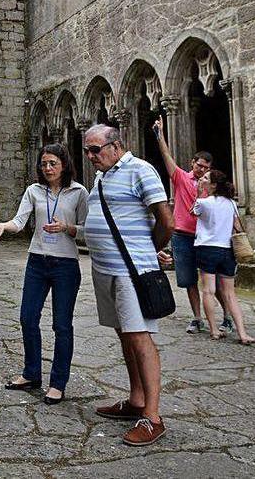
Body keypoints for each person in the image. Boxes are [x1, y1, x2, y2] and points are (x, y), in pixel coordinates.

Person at [84, 124, 173, 446]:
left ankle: (152, 417)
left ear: (116, 145)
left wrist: (148, 252)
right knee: (124, 334)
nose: (90, 156)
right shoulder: (102, 177)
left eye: (95, 149)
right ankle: (136, 400)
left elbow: (167, 220)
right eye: (87, 150)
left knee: (140, 338)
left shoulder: (141, 170)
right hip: (106, 269)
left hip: (130, 271)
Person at [0, 143, 88, 404]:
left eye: (53, 163)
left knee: (61, 325)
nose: (48, 168)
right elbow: (19, 222)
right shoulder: (34, 190)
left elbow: (87, 229)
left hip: (65, 264)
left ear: (64, 164)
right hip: (37, 262)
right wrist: (3, 226)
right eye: (43, 164)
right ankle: (31, 373)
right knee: (28, 318)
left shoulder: (79, 192)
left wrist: (67, 227)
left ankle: (58, 383)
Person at [152, 118, 232, 335]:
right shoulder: (180, 178)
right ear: (192, 163)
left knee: (213, 281)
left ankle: (226, 316)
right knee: (188, 280)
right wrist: (160, 134)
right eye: (198, 165)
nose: (200, 170)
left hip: (206, 238)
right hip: (182, 235)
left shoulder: (211, 185)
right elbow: (167, 157)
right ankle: (197, 318)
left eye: (205, 168)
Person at [192, 170, 255, 345]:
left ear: (213, 185)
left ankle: (213, 329)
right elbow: (237, 225)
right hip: (227, 250)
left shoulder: (203, 203)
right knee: (230, 293)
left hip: (207, 249)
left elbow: (193, 212)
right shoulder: (231, 203)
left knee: (208, 290)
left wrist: (198, 194)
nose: (202, 179)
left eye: (205, 178)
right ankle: (242, 333)